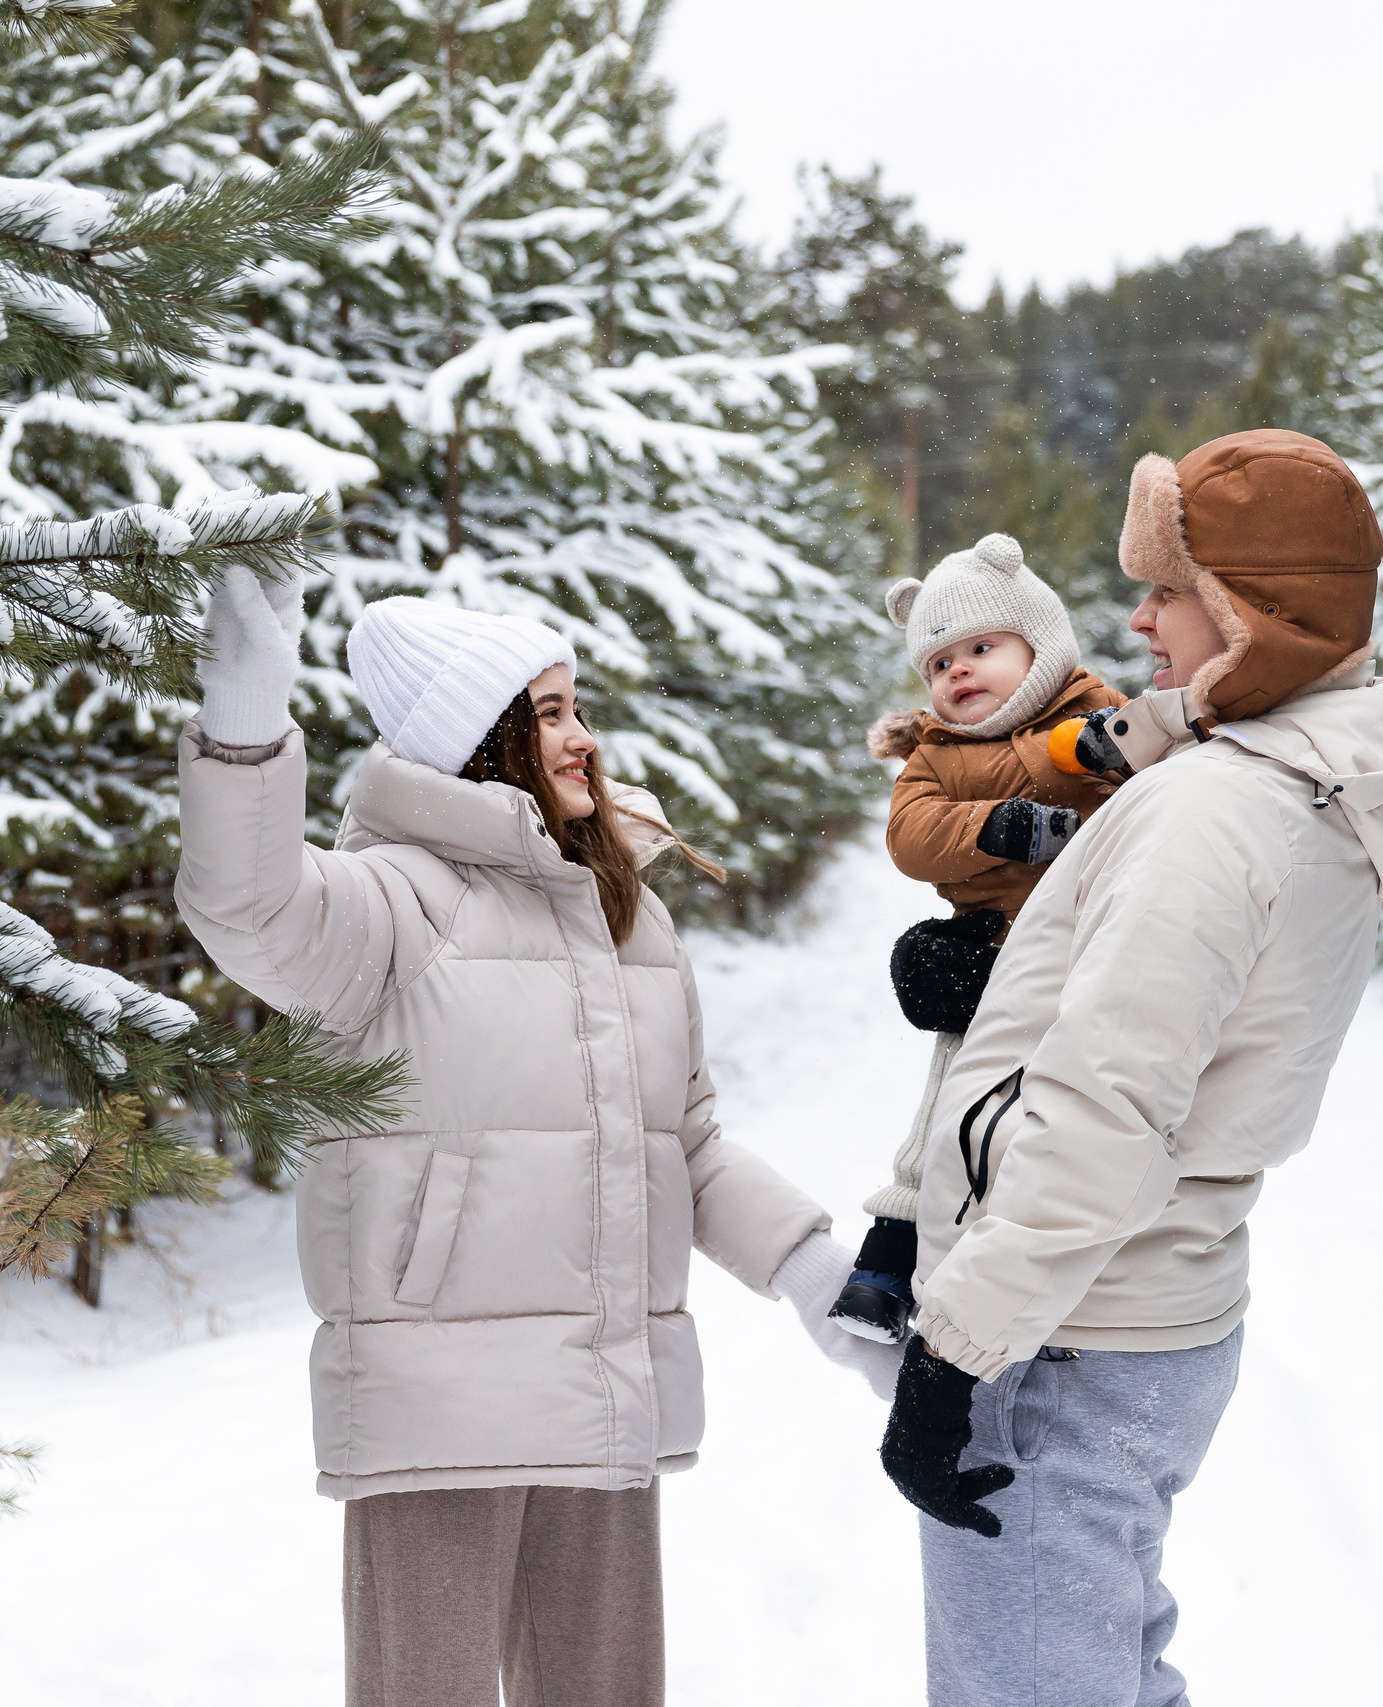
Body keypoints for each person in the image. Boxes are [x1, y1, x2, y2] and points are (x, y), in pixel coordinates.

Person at [174, 582, 893, 1707]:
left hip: (603, 1390)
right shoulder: (392, 905)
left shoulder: (626, 916)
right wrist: (246, 721)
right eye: (550, 712)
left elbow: (685, 1145)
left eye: (578, 707)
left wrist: (815, 1275)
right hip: (439, 1404)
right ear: (483, 738)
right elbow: (248, 908)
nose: (583, 736)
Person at [877, 430, 1383, 1706]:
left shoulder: (1212, 810)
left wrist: (955, 1354)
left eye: (1168, 591)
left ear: (1255, 611)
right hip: (1138, 1307)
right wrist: (1008, 972)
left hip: (1062, 1332)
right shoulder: (1292, 781)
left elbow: (1107, 1110)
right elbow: (1185, 1021)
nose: (1138, 620)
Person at [835, 533, 1129, 1342]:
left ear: (1040, 642)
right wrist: (997, 826)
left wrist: (1084, 751)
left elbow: (1153, 777)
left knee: (1060, 1123)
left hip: (1090, 956)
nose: (958, 671)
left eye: (981, 648)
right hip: (990, 959)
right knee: (948, 1103)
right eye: (939, 662)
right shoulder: (934, 756)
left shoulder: (1096, 716)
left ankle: (1045, 1272)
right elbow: (911, 837)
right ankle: (889, 1256)